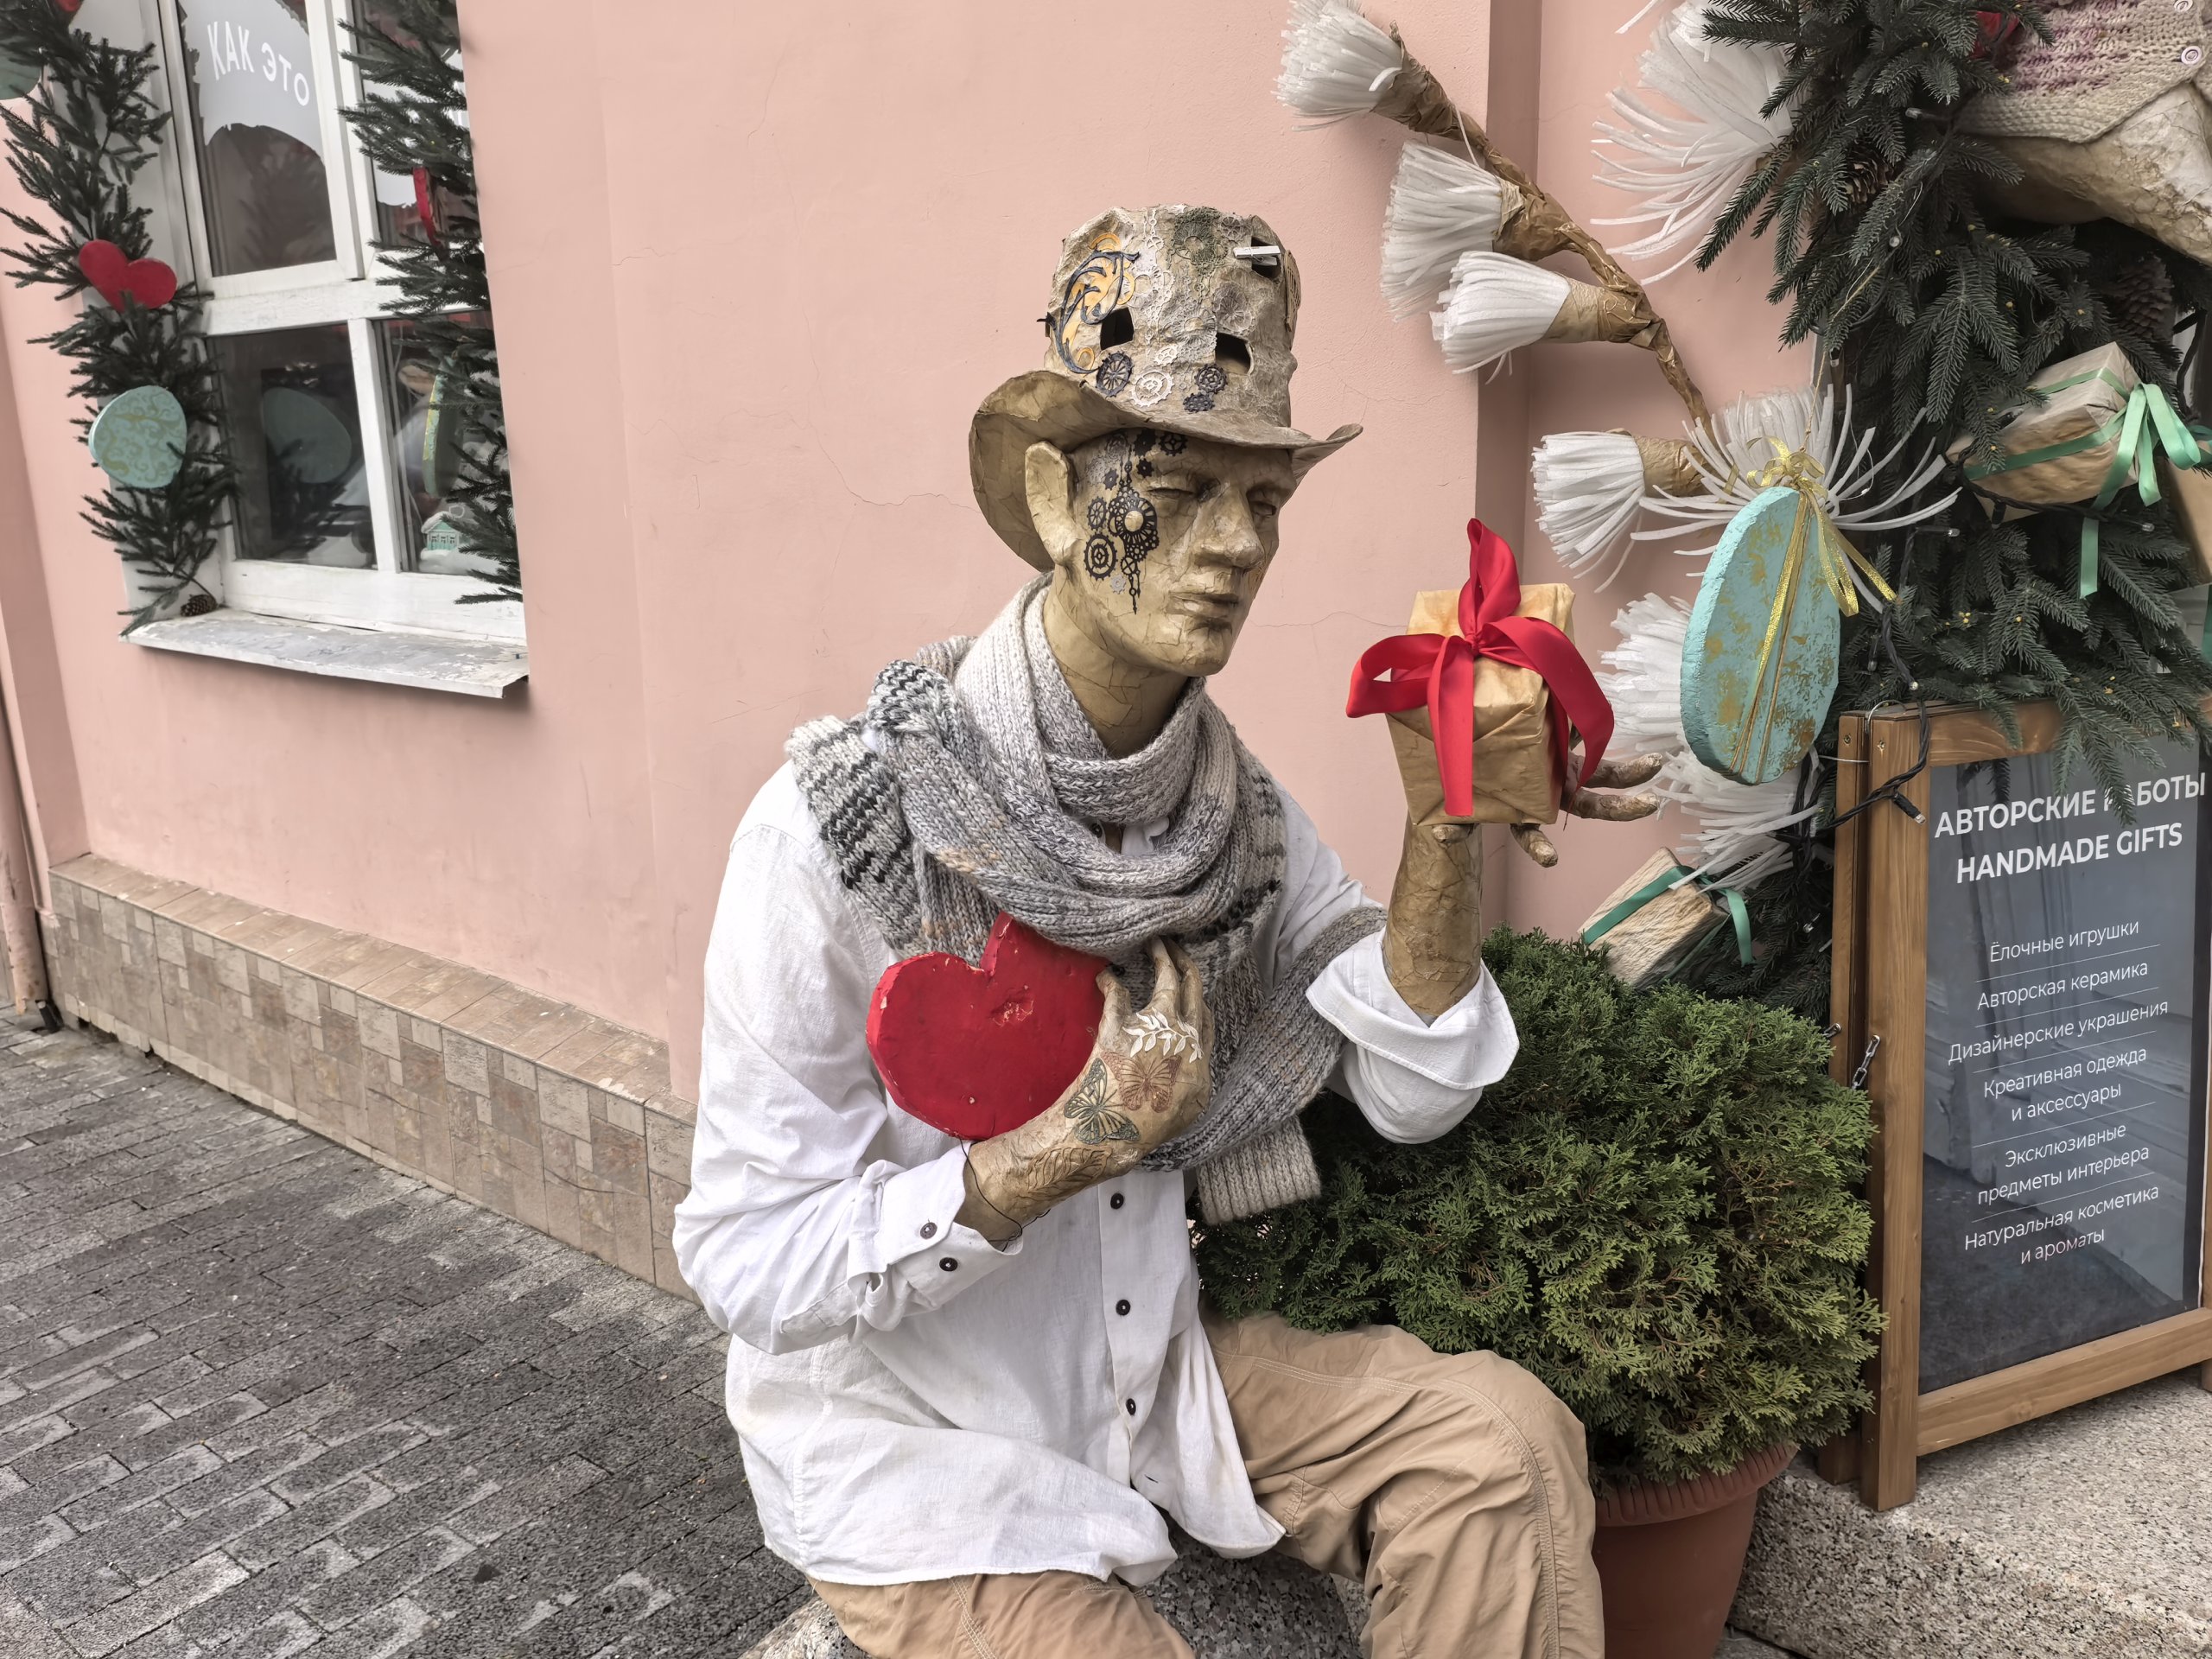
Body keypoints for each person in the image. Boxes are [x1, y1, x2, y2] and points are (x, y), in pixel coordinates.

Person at [674, 204, 1659, 1658]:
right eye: (1181, 487)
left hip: (1147, 1386)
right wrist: (1052, 1158)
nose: (1237, 544)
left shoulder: (1232, 821)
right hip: (918, 1452)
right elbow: (746, 1262)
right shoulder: (843, 829)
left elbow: (1412, 1086)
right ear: (1054, 501)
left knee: (1498, 1454)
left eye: (1264, 498)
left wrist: (1446, 829)